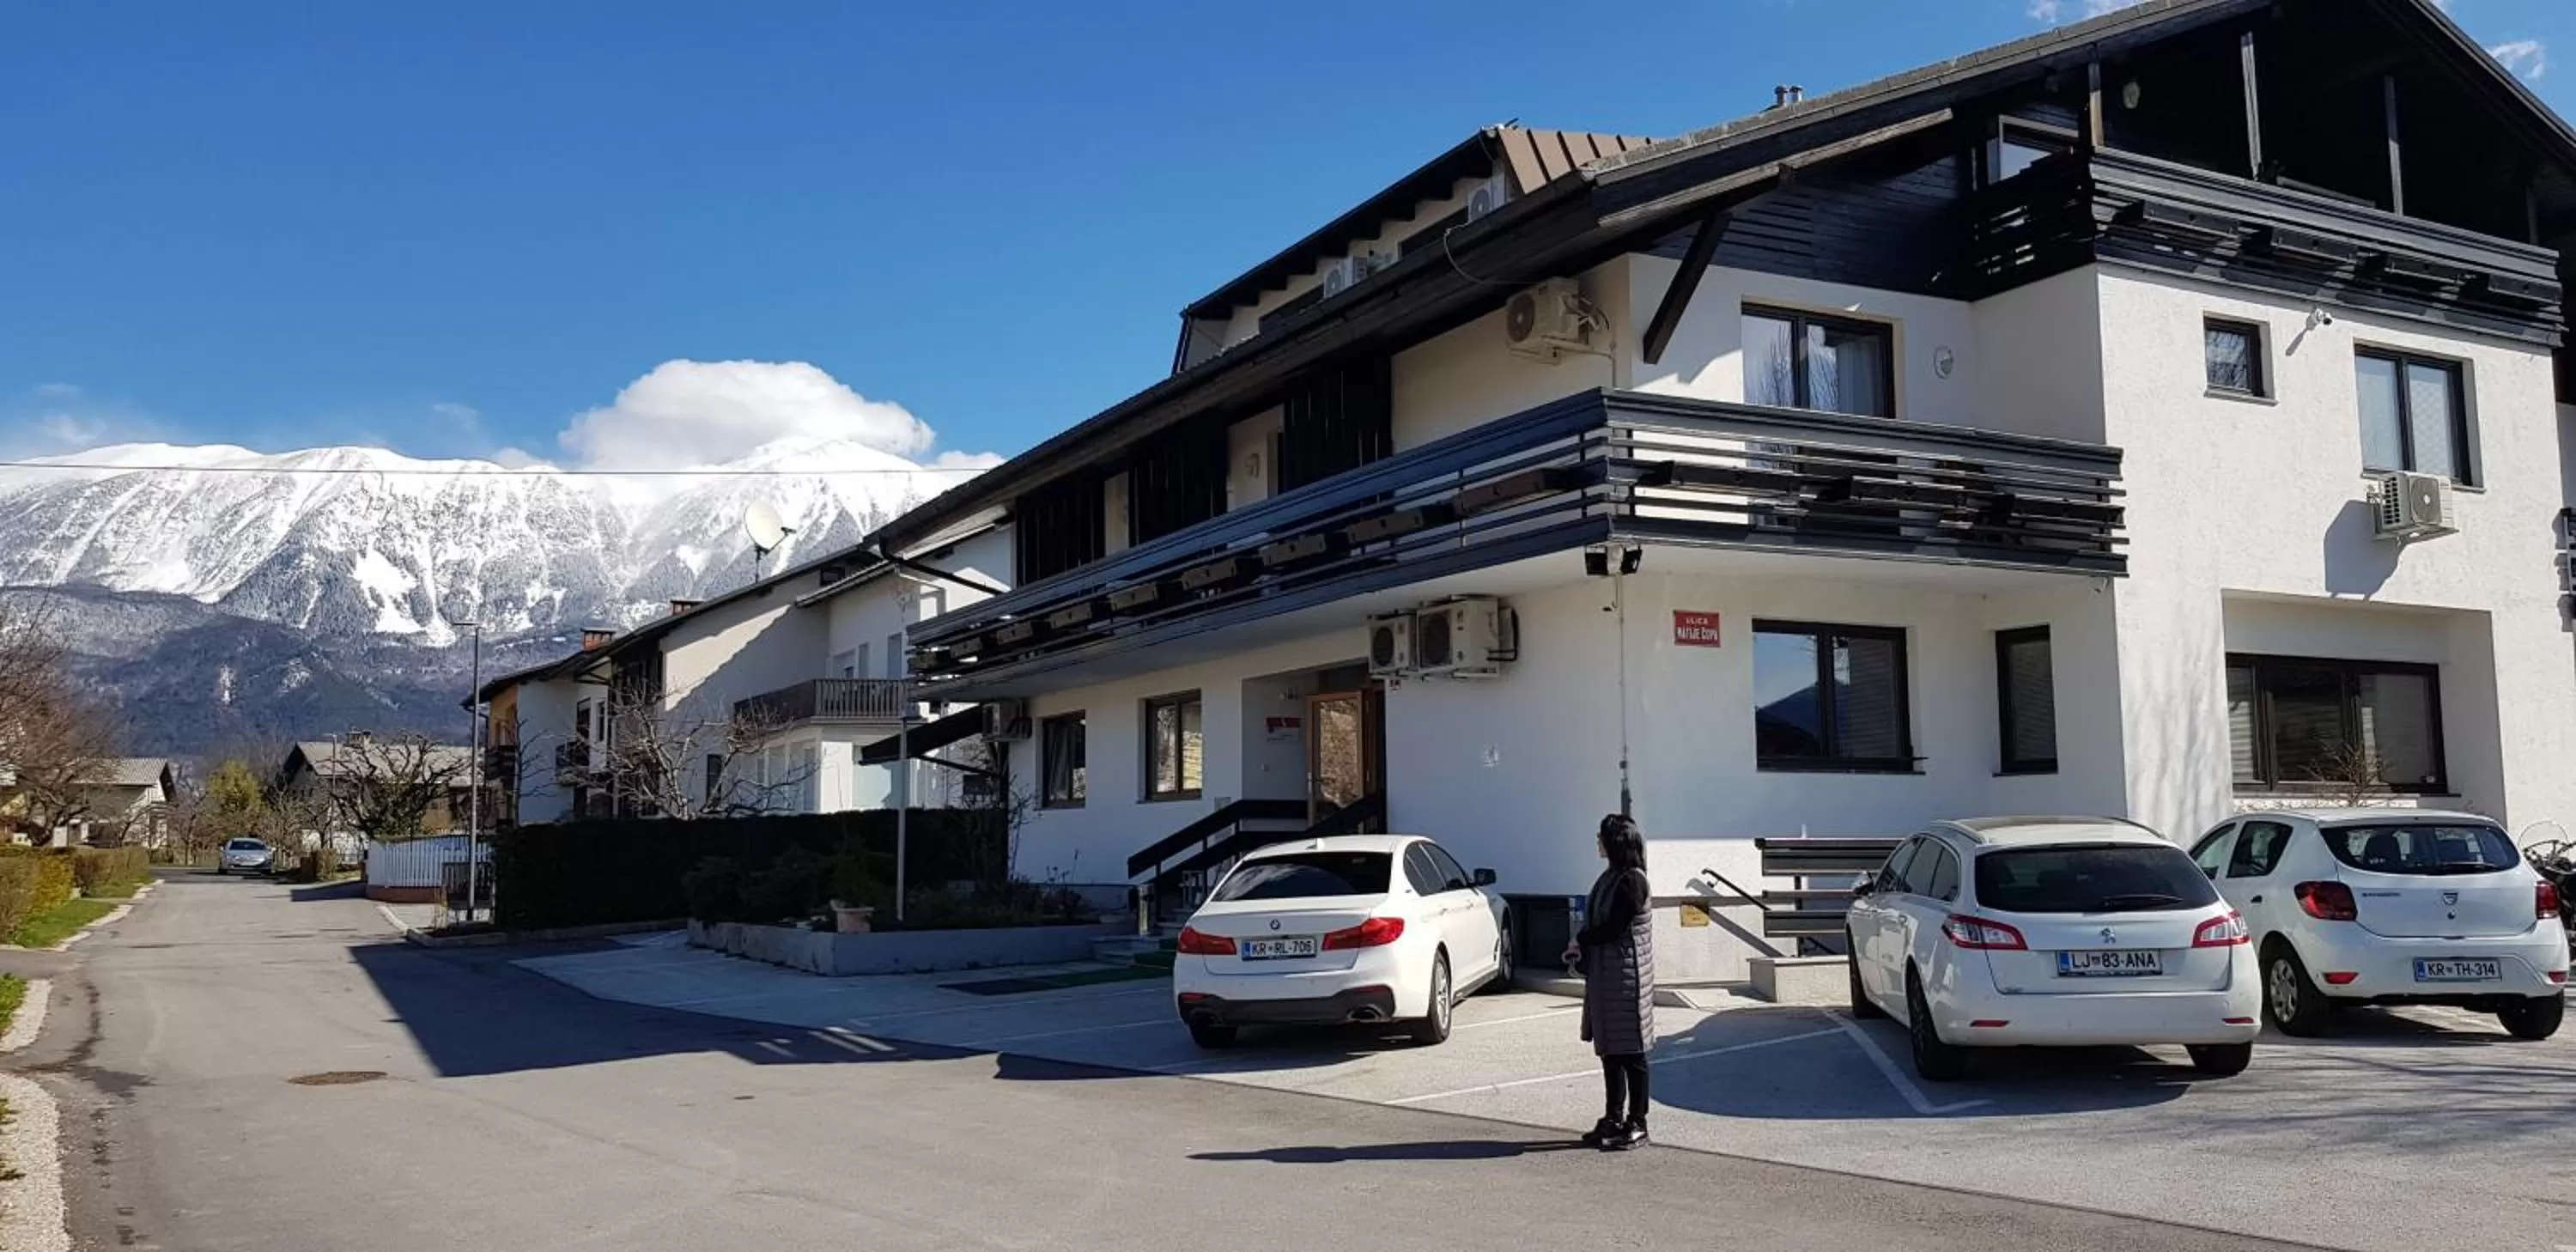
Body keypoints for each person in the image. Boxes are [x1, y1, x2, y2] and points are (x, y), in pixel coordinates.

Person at [1564, 812, 1655, 1151]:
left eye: (1601, 837)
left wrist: (1581, 940)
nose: (1597, 843)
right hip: (1609, 978)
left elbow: (1615, 927)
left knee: (1632, 1054)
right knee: (1611, 1053)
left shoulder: (1632, 880)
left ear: (1615, 843)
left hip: (1626, 981)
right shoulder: (1612, 876)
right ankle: (1614, 1118)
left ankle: (1638, 1122)